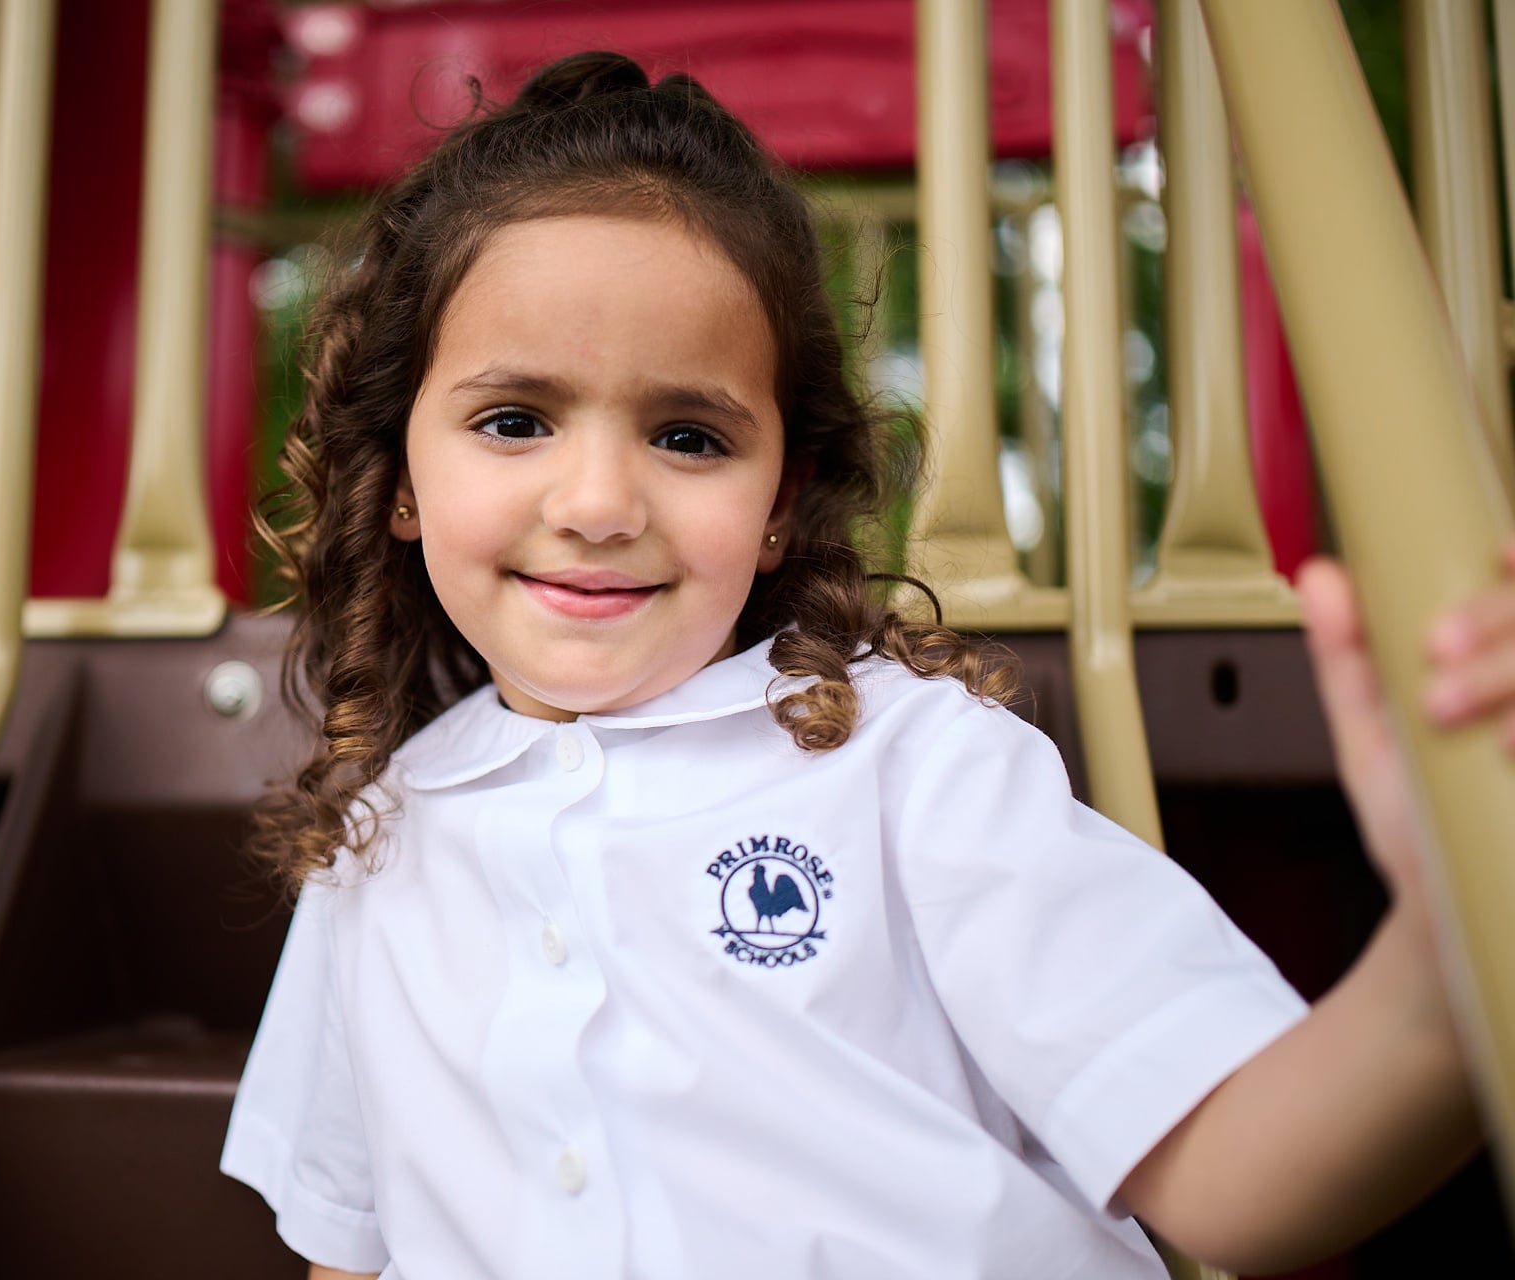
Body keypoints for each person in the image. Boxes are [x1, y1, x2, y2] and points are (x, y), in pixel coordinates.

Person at [220, 50, 1515, 1279]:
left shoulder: (913, 771)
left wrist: (1444, 966)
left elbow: (1240, 1180)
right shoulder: (379, 839)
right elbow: (360, 1241)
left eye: (686, 435)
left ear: (782, 499)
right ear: (397, 477)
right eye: (515, 420)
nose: (600, 500)